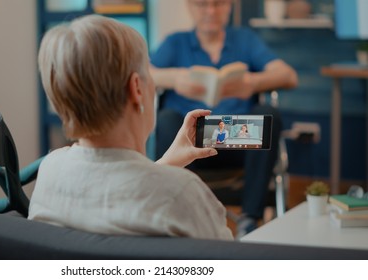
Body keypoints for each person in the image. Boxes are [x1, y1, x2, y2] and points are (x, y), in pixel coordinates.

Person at [28, 15, 233, 241]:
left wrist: (165, 165)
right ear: (136, 88)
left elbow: (110, 191)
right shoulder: (182, 192)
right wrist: (168, 177)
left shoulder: (50, 171)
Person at [150, 0, 298, 238]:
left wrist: (252, 83)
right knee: (166, 119)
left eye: (218, 4)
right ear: (190, 7)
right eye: (202, 5)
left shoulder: (244, 40)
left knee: (269, 114)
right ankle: (181, 218)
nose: (211, 11)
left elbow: (288, 75)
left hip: (240, 139)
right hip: (190, 142)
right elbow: (141, 73)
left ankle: (249, 220)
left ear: (228, 6)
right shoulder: (175, 43)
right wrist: (176, 79)